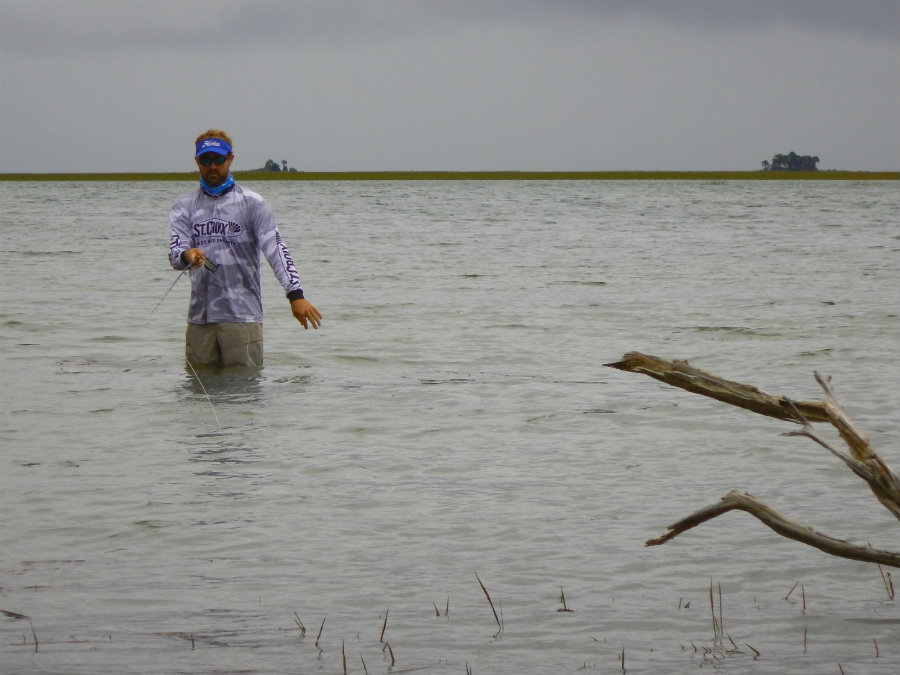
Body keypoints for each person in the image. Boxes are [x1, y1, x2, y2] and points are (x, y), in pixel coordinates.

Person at [168, 129, 321, 367]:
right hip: (199, 320)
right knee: (197, 396)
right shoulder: (183, 206)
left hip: (243, 317)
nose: (212, 166)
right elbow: (176, 254)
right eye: (206, 160)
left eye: (218, 159)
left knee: (245, 395)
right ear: (197, 161)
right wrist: (188, 255)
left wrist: (296, 295)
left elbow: (276, 250)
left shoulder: (253, 203)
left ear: (230, 159)